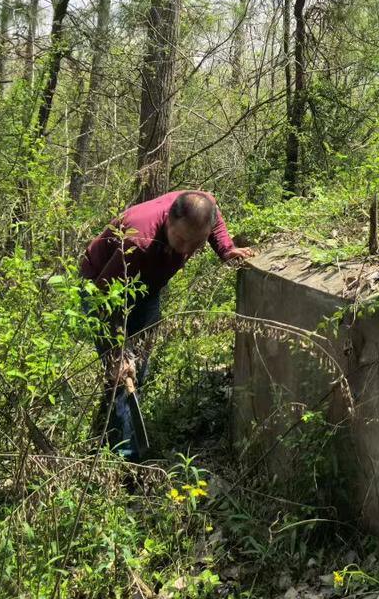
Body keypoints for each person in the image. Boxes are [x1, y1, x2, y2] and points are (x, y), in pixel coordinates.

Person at [80, 189, 255, 459]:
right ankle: (124, 460)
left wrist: (226, 249)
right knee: (122, 374)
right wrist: (117, 348)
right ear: (168, 222)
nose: (185, 249)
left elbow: (215, 218)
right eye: (181, 239)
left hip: (145, 286)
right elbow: (104, 299)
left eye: (195, 243)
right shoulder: (139, 240)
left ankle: (108, 438)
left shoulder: (202, 209)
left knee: (138, 371)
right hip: (102, 288)